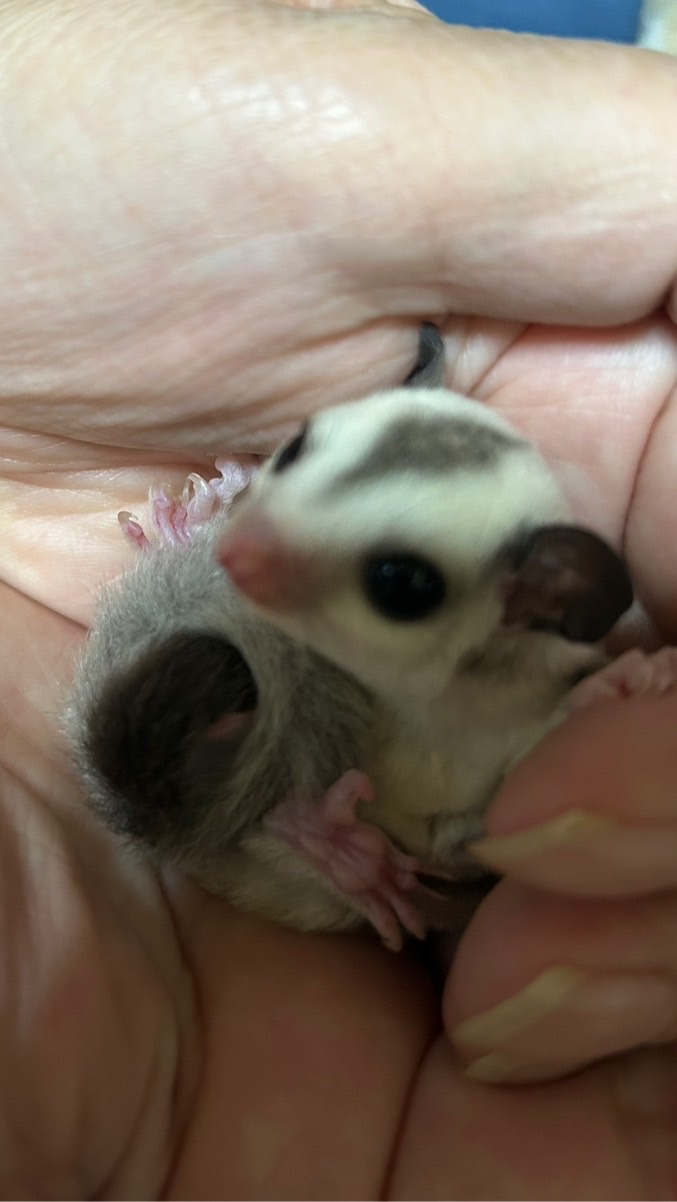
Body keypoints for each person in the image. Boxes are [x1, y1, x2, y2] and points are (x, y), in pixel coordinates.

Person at [2, 0, 677, 1196]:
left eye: (395, 573)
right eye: (303, 456)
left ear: (539, 605)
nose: (257, 544)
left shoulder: (536, 664)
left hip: (355, 835)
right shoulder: (273, 573)